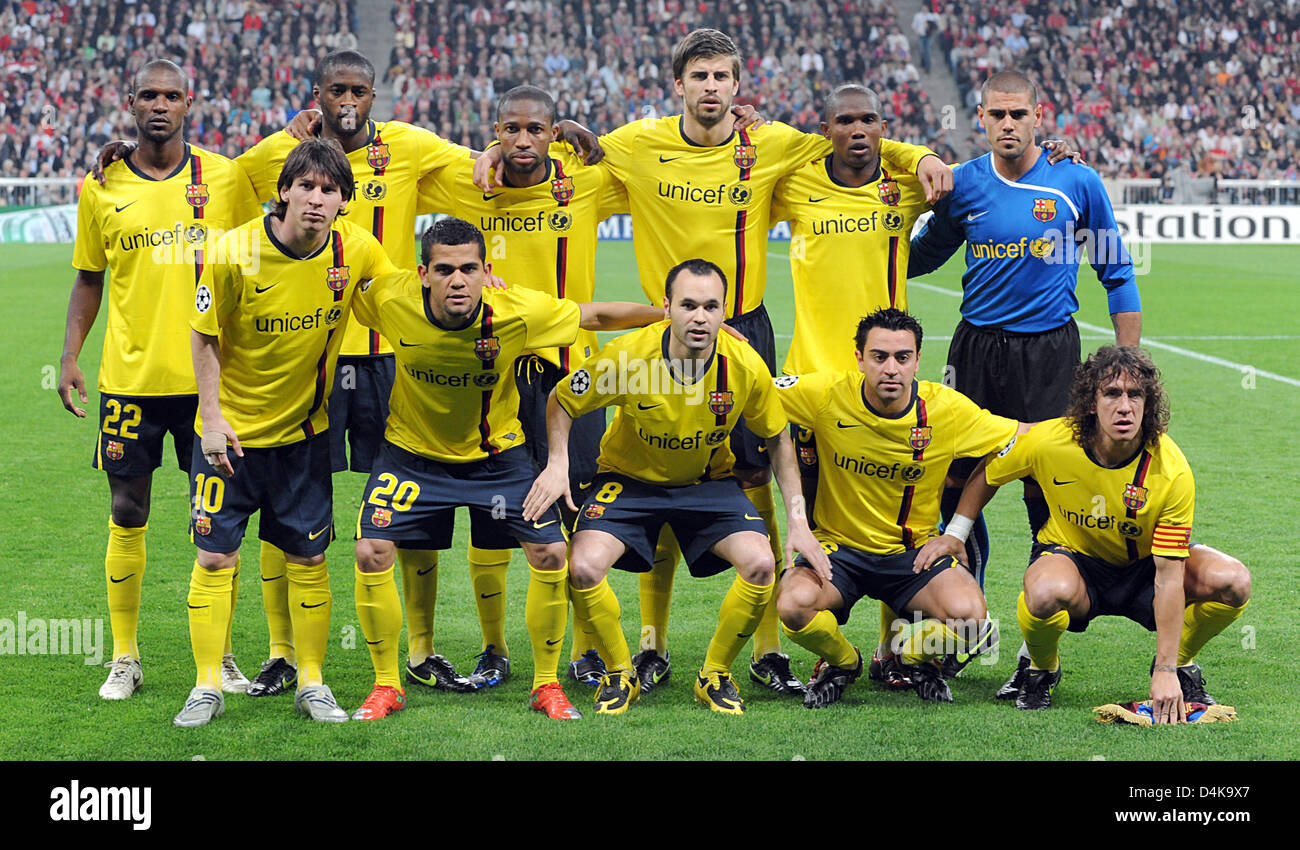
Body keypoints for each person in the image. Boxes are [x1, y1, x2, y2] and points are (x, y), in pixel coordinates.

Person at [480, 28, 949, 697]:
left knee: (750, 480)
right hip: (660, 331)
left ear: (737, 86)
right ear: (680, 85)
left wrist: (923, 152)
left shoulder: (772, 144)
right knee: (654, 470)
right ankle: (651, 644)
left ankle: (766, 651)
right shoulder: (640, 143)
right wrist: (504, 150)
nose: (710, 88)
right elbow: (559, 153)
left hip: (746, 331)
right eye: (698, 76)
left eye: (721, 77)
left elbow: (855, 141)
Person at [345, 217, 662, 721]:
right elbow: (341, 281)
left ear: (485, 270)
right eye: (445, 270)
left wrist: (665, 316)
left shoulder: (515, 310)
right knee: (371, 550)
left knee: (551, 551)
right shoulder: (389, 298)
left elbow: (594, 315)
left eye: (469, 269)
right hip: (411, 455)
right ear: (422, 273)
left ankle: (545, 684)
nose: (458, 281)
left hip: (497, 458)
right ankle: (386, 684)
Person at [908, 69, 1141, 681]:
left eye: (1018, 114)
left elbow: (1117, 273)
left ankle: (1037, 653)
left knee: (1048, 493)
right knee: (956, 488)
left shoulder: (1076, 180)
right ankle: (959, 629)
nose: (1007, 125)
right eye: (996, 115)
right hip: (975, 352)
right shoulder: (963, 185)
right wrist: (867, 222)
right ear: (980, 119)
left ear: (1040, 116)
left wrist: (1128, 363)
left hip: (1052, 356)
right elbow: (919, 256)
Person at [525, 259, 829, 715]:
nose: (700, 317)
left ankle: (714, 674)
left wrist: (798, 523)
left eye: (710, 306)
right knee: (583, 566)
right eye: (688, 305)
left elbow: (778, 442)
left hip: (707, 484)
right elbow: (563, 399)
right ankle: (619, 672)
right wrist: (557, 463)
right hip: (628, 482)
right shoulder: (627, 357)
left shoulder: (744, 364)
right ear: (666, 307)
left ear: (725, 311)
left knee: (761, 562)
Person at [173, 138, 397, 727]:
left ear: (345, 201)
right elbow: (203, 335)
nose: (317, 199)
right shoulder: (233, 250)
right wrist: (213, 419)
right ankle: (207, 684)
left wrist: (482, 290)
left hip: (303, 438)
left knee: (309, 558)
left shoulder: (356, 250)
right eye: (307, 187)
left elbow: (400, 297)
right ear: (284, 191)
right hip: (230, 441)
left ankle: (313, 682)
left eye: (330, 191)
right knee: (215, 559)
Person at [60, 59, 261, 701]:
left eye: (171, 96)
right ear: (129, 102)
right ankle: (124, 656)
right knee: (127, 510)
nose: (159, 105)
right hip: (129, 380)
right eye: (148, 95)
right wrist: (69, 358)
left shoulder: (224, 178)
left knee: (219, 523)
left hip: (211, 386)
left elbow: (257, 261)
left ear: (189, 104)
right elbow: (89, 277)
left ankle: (223, 654)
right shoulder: (102, 184)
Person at [415, 85, 628, 689]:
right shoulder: (467, 181)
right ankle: (493, 648)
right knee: (494, 515)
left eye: (537, 130)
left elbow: (647, 166)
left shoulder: (583, 182)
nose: (523, 141)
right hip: (491, 378)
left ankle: (587, 648)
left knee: (582, 507)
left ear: (553, 132)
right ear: (496, 131)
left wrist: (591, 135)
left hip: (574, 372)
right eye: (510, 130)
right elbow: (406, 162)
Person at [920, 346, 1251, 719]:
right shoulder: (1051, 440)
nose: (1124, 406)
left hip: (1144, 568)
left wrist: (1165, 669)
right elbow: (990, 471)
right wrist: (957, 532)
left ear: (1148, 402)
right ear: (1092, 403)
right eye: (1112, 393)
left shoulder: (1171, 469)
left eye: (1135, 395)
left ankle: (1184, 666)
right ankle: (1041, 668)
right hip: (1074, 561)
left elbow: (1169, 574)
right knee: (1045, 592)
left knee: (1233, 581)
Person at [773, 308, 1024, 707]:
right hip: (839, 552)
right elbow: (753, 389)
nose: (891, 369)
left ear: (918, 361)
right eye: (879, 356)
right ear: (859, 358)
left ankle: (909, 655)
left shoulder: (947, 411)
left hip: (911, 556)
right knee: (792, 605)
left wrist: (957, 530)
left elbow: (1021, 441)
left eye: (902, 358)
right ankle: (844, 661)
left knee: (973, 621)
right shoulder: (825, 395)